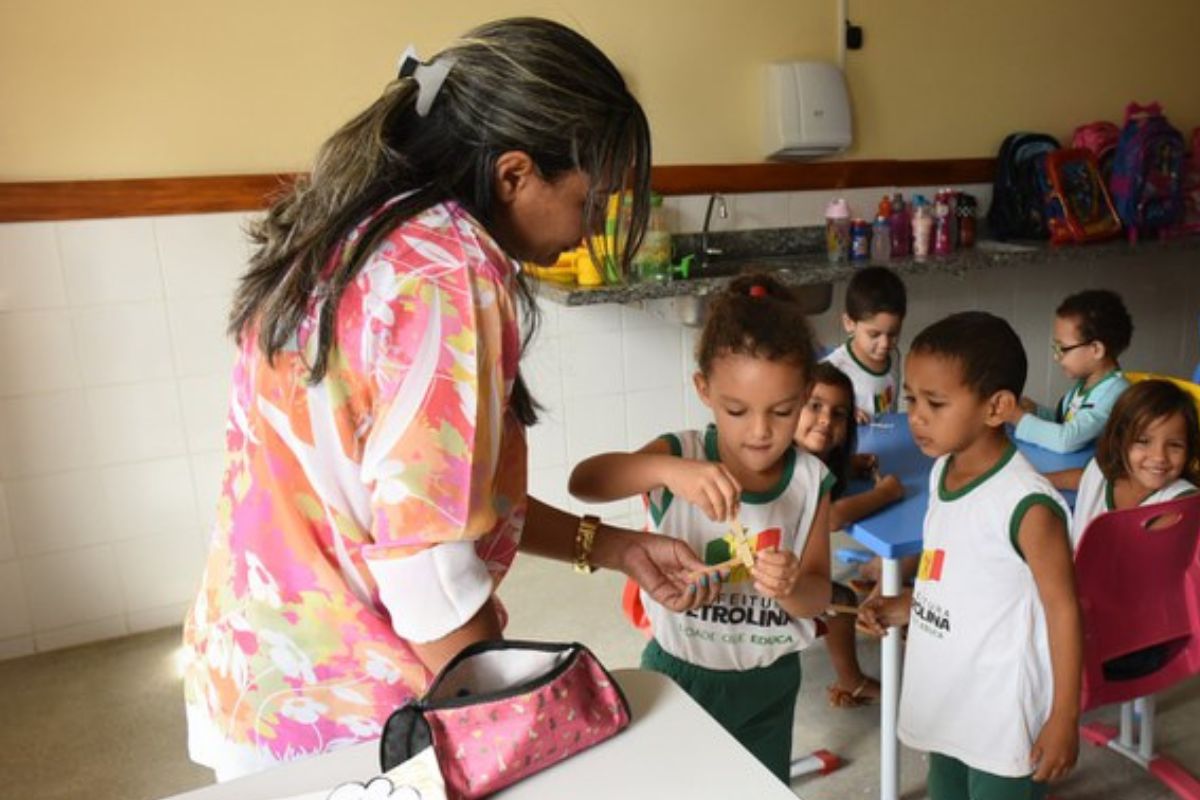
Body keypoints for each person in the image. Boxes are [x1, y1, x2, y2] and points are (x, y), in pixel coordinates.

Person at [180, 18, 718, 781]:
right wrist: (517, 730)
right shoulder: (446, 273)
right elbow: (426, 569)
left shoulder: (360, 230)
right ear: (515, 173)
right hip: (351, 715)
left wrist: (619, 548)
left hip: (256, 672)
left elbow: (427, 500)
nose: (595, 227)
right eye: (592, 199)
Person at [569, 274, 833, 782]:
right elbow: (587, 481)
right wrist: (665, 471)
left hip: (769, 682)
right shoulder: (682, 455)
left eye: (782, 412)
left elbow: (819, 597)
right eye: (737, 410)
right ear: (704, 390)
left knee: (757, 787)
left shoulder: (810, 481)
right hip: (679, 672)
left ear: (805, 397)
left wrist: (794, 586)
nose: (759, 431)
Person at [859, 311, 1082, 799]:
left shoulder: (1028, 506)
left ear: (997, 406)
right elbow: (960, 576)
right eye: (913, 398)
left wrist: (1064, 716)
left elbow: (1064, 611)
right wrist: (908, 606)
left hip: (1002, 716)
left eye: (935, 403)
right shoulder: (943, 474)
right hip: (951, 696)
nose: (916, 415)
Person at [793, 361, 903, 707]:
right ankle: (852, 681)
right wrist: (885, 493)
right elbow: (832, 518)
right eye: (815, 406)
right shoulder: (802, 467)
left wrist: (850, 465)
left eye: (838, 413)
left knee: (840, 595)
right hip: (775, 580)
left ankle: (852, 680)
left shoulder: (813, 460)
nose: (826, 419)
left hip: (788, 568)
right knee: (839, 600)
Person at [1047, 379, 1199, 548]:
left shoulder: (1183, 504)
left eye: (1175, 445)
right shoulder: (1100, 471)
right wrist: (1037, 480)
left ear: (1189, 449)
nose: (1159, 457)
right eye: (1143, 441)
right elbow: (1085, 477)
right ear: (1120, 440)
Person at [1004, 289, 1133, 453]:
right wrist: (1036, 411)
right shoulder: (1084, 385)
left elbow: (1067, 439)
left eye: (1062, 348)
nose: (1057, 357)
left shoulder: (1116, 394)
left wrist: (1017, 417)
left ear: (1096, 349)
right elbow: (1066, 422)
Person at [821, 265, 907, 423]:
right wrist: (844, 411)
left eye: (893, 334)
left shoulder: (893, 356)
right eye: (874, 334)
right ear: (849, 323)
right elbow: (806, 402)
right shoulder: (835, 367)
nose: (885, 344)